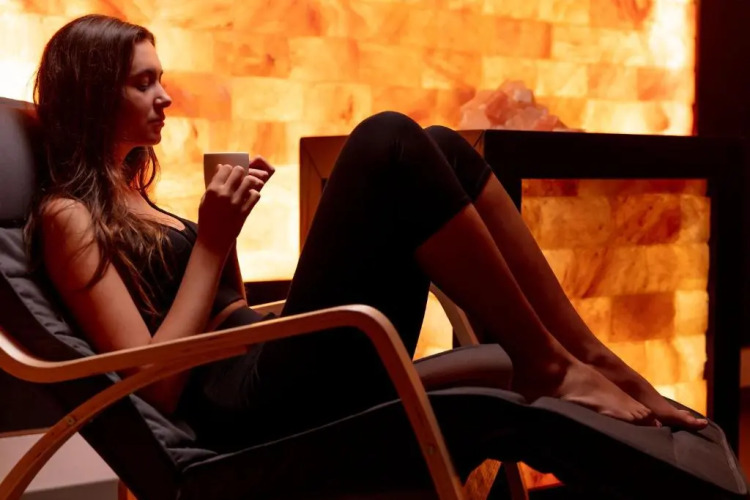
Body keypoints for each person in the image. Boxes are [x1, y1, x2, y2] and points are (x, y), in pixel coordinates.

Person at [26, 14, 706, 453]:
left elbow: (220, 313)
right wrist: (210, 241)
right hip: (245, 406)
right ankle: (551, 365)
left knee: (444, 145)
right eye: (144, 83)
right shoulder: (67, 217)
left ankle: (585, 355)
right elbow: (153, 387)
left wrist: (224, 240)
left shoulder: (135, 198)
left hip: (267, 359)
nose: (165, 97)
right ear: (94, 95)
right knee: (388, 141)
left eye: (161, 80)